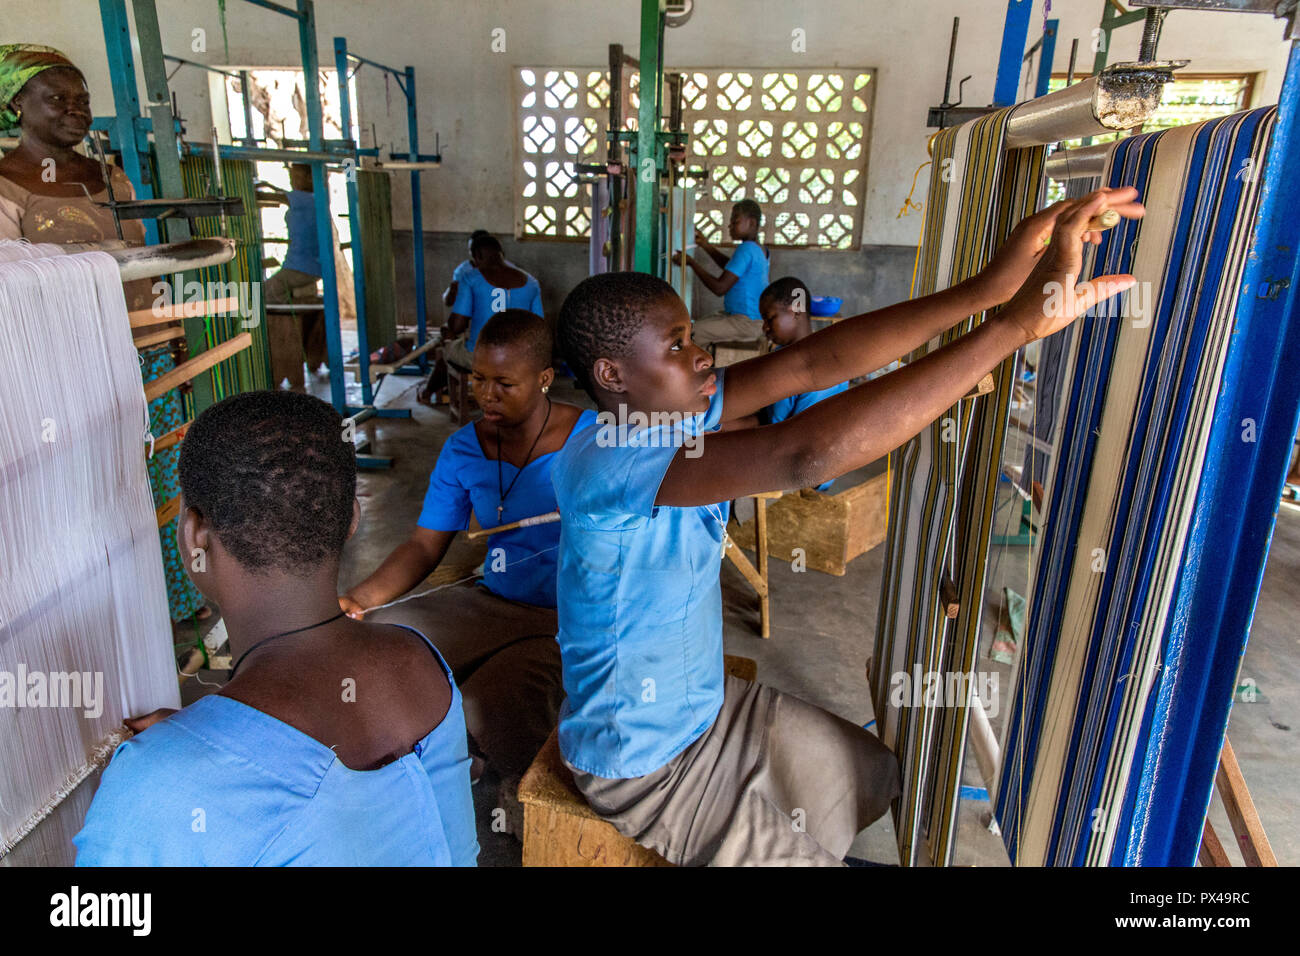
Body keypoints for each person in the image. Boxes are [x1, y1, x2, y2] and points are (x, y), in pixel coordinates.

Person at [551, 187, 1144, 865]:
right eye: (679, 344)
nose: (701, 355)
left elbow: (811, 363)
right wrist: (1013, 329)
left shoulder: (671, 413)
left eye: (694, 336)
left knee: (873, 774)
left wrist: (991, 287)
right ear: (612, 375)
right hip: (646, 768)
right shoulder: (613, 460)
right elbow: (802, 453)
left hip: (706, 714)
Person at [74, 390, 478, 866]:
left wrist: (176, 766)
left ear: (195, 534)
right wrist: (195, 748)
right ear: (351, 517)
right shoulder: (420, 664)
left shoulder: (150, 790)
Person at [0, 43, 206, 624]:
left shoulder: (107, 175)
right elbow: (11, 282)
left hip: (142, 343)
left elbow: (140, 258)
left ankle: (170, 605)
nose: (76, 108)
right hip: (63, 360)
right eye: (57, 98)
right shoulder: (6, 183)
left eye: (83, 98)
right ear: (17, 105)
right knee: (86, 487)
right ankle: (101, 616)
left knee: (158, 472)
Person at [342, 309, 593, 782]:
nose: (486, 395)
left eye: (504, 383)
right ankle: (462, 753)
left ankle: (522, 790)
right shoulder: (463, 447)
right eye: (478, 378)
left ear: (543, 379)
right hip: (494, 601)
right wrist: (359, 599)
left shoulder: (594, 438)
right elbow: (422, 545)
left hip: (575, 614)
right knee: (382, 643)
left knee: (491, 699)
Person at [724, 276, 850, 492]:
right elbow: (767, 415)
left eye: (769, 318)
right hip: (783, 440)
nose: (764, 327)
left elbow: (789, 436)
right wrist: (716, 425)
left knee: (713, 459)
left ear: (796, 311)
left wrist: (722, 430)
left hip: (808, 467)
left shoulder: (819, 366)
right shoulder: (783, 355)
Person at [260, 162, 327, 390]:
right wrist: (269, 184)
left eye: (296, 177)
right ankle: (303, 347)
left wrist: (255, 191)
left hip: (302, 266)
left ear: (308, 179)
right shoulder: (317, 199)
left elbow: (280, 197)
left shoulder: (304, 199)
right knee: (277, 295)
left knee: (264, 295)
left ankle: (283, 348)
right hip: (312, 266)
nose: (293, 181)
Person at [687, 198, 770, 347]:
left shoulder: (746, 249)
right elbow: (730, 267)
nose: (730, 226)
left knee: (691, 333)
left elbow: (720, 288)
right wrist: (705, 245)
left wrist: (691, 263)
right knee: (698, 323)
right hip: (752, 320)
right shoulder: (759, 249)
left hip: (746, 323)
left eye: (735, 221)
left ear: (751, 223)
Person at [442, 228, 492, 308]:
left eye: (477, 250)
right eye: (470, 250)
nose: (472, 254)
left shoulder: (501, 269)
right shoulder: (462, 271)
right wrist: (451, 291)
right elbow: (448, 301)